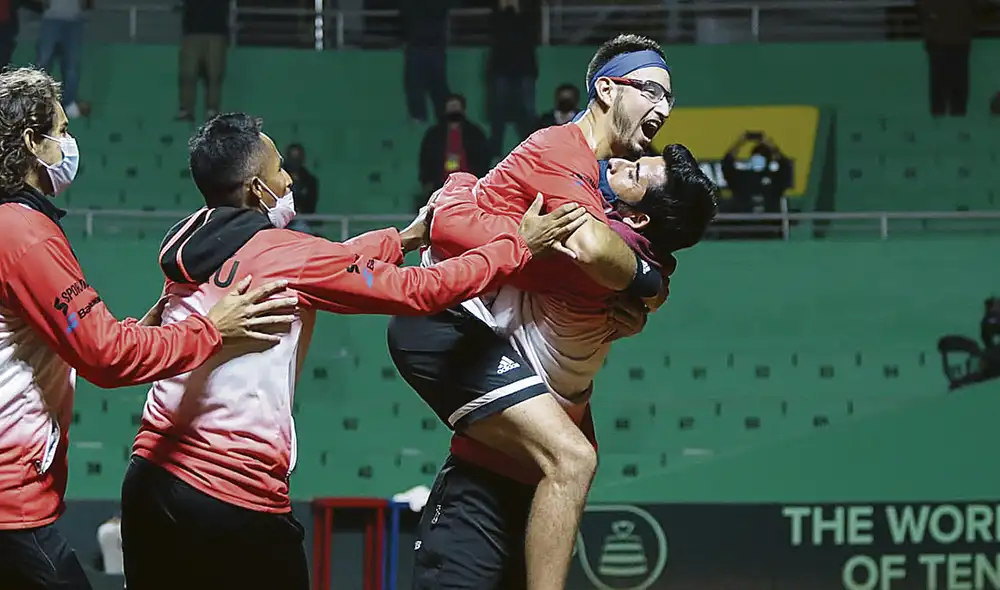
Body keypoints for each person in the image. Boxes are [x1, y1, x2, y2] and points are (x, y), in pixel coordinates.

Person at [118, 112, 588, 590]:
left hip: (149, 479)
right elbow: (420, 291)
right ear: (257, 190)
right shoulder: (284, 254)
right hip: (231, 493)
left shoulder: (188, 241)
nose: (289, 179)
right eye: (280, 169)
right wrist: (517, 246)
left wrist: (404, 238)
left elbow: (323, 263)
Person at [388, 33, 674, 589]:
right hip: (447, 319)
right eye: (651, 90)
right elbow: (592, 248)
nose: (664, 107)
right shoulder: (564, 153)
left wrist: (645, 292)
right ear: (607, 90)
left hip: (479, 328)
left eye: (670, 97)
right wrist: (648, 283)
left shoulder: (605, 183)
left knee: (564, 459)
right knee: (573, 460)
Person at [0, 68, 295, 590]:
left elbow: (82, 342)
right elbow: (107, 357)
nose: (69, 143)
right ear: (30, 143)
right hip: (9, 503)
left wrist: (153, 324)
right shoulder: (24, 234)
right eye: (61, 131)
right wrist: (209, 329)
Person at [392, 145, 717, 588]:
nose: (617, 163)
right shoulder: (638, 265)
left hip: (497, 478)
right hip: (502, 467)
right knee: (571, 459)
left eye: (634, 172)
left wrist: (459, 184)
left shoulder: (586, 250)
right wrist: (653, 289)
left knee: (574, 460)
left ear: (638, 219)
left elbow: (453, 226)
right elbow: (651, 277)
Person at [487, 0, 540, 158]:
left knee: (528, 112)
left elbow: (530, 35)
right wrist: (503, 12)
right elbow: (497, 34)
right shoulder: (496, 15)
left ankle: (533, 149)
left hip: (524, 70)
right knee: (498, 112)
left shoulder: (529, 13)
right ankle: (495, 149)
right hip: (501, 70)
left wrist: (517, 12)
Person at [418, 93, 490, 207]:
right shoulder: (433, 135)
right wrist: (426, 182)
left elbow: (483, 159)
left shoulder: (475, 134)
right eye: (450, 108)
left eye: (456, 108)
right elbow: (426, 158)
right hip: (441, 187)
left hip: (469, 187)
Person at [917, 0, 977, 117]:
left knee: (938, 86)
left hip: (937, 41)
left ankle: (938, 119)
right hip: (960, 40)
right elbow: (984, 8)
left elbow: (922, 9)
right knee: (959, 86)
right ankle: (958, 118)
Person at [36, 0, 90, 120]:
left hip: (74, 20)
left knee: (72, 64)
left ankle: (69, 103)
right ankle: (38, 102)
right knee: (43, 61)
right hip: (51, 18)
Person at [178, 0, 230, 121]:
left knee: (214, 74)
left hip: (216, 32)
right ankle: (186, 109)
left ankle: (212, 110)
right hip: (192, 32)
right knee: (188, 73)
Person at [401, 0, 450, 124]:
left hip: (421, 45)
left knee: (426, 89)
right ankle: (435, 122)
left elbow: (405, 15)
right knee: (427, 89)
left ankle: (424, 121)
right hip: (428, 45)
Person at [283, 143, 318, 233]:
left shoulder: (309, 180)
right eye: (292, 157)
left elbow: (311, 205)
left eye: (298, 158)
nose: (294, 161)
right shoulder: (279, 178)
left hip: (303, 221)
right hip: (283, 220)